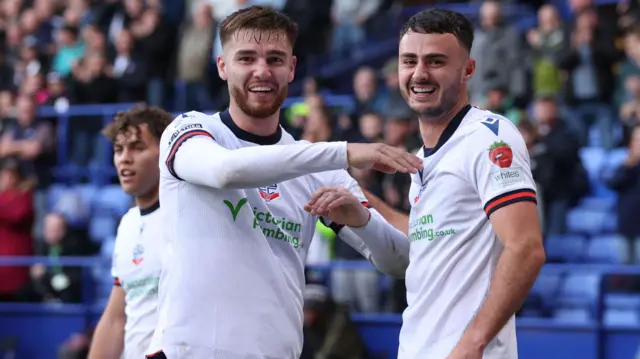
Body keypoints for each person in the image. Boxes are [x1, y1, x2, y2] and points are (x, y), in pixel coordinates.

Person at [147, 6, 420, 359]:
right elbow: (226, 171)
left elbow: (397, 263)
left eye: (275, 59)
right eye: (246, 58)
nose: (262, 71)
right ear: (222, 66)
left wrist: (363, 222)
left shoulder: (317, 166)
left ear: (291, 68)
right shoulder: (191, 130)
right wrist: (345, 152)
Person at [311, 8, 546, 359]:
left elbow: (526, 248)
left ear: (468, 69)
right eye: (410, 61)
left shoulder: (489, 138)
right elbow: (425, 239)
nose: (419, 73)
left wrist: (472, 344)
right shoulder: (424, 157)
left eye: (435, 61)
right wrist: (358, 201)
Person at [88, 106, 173, 359]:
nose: (125, 158)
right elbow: (116, 317)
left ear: (166, 153)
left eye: (137, 148)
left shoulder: (191, 216)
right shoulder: (128, 223)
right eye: (118, 149)